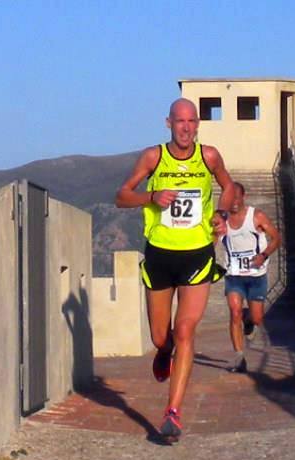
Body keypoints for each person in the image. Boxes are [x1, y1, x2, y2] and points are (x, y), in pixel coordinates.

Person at [115, 98, 234, 442]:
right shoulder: (153, 157)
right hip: (160, 255)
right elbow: (122, 196)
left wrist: (221, 214)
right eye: (180, 121)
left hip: (197, 254)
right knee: (160, 337)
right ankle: (164, 352)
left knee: (184, 330)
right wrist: (151, 196)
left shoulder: (209, 156)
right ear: (168, 123)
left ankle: (173, 413)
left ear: (198, 125)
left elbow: (228, 186)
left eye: (191, 121)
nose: (186, 127)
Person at [219, 182, 281, 373]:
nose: (234, 202)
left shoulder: (257, 216)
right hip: (234, 275)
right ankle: (239, 358)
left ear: (243, 197)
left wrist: (263, 255)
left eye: (237, 198)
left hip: (256, 275)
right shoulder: (222, 219)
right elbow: (211, 240)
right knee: (234, 311)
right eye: (231, 198)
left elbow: (276, 238)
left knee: (257, 317)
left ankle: (249, 320)